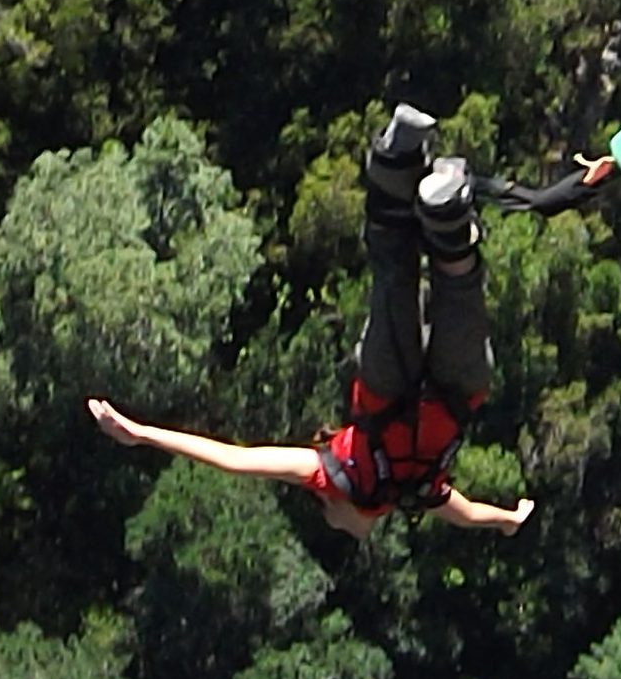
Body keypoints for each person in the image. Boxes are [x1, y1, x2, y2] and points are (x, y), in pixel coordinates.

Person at [89, 104, 536, 539]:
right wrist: (507, 519)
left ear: (330, 506)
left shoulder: (328, 475)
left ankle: (398, 159)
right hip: (456, 393)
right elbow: (471, 513)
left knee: (395, 285)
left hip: (385, 390)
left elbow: (236, 459)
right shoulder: (420, 494)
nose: (342, 529)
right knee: (459, 297)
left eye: (334, 524)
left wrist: (144, 433)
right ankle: (447, 221)